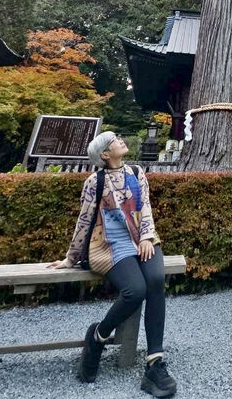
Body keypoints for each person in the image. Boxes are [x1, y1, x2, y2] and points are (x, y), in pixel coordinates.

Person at [49, 131, 177, 397]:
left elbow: (146, 208)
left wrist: (146, 236)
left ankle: (155, 363)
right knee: (135, 291)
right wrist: (71, 258)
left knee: (154, 281)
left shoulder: (137, 172)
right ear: (105, 155)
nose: (120, 140)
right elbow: (84, 222)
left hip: (141, 239)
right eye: (113, 141)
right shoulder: (94, 182)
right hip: (109, 245)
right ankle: (98, 336)